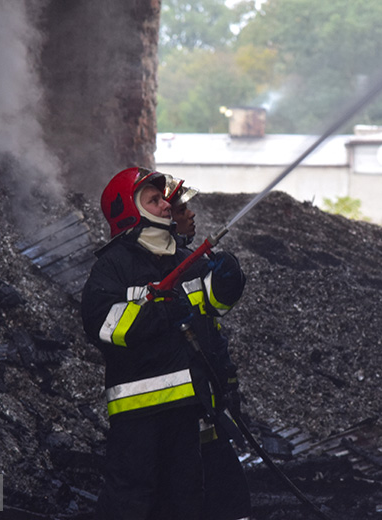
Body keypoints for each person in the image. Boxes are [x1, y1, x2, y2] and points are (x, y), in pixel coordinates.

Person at [81, 167, 246, 520]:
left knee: (185, 498)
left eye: (163, 199)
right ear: (130, 210)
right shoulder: (114, 265)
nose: (166, 206)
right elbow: (103, 324)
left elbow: (211, 306)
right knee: (132, 500)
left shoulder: (182, 260)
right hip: (137, 414)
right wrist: (159, 312)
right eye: (154, 200)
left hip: (186, 407)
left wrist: (229, 280)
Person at [163, 174, 253, 520]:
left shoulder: (189, 265)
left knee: (224, 494)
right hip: (185, 414)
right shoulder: (167, 271)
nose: (191, 214)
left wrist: (228, 386)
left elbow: (213, 330)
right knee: (212, 497)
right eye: (181, 209)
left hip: (205, 408)